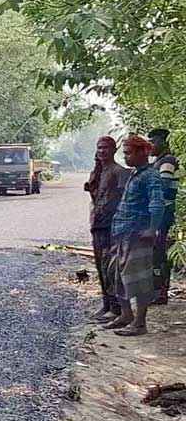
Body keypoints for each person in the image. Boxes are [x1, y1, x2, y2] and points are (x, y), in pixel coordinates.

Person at [104, 135, 165, 336]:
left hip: (138, 235)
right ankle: (126, 315)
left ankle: (140, 323)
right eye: (125, 153)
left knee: (138, 279)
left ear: (142, 153)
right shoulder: (135, 174)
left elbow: (156, 204)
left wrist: (152, 229)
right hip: (123, 233)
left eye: (129, 153)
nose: (126, 157)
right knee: (117, 276)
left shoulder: (151, 176)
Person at [83, 136, 130, 321]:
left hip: (113, 226)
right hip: (98, 224)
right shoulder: (99, 172)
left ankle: (117, 307)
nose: (102, 151)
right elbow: (97, 199)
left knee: (111, 268)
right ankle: (107, 304)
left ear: (114, 150)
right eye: (99, 148)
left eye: (105, 148)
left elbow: (126, 201)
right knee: (100, 267)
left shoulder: (119, 172)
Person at [148, 129, 178, 305]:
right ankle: (156, 290)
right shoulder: (159, 162)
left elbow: (163, 188)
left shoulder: (167, 162)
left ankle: (160, 292)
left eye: (153, 141)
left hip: (163, 214)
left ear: (164, 142)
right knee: (155, 253)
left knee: (159, 253)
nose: (151, 145)